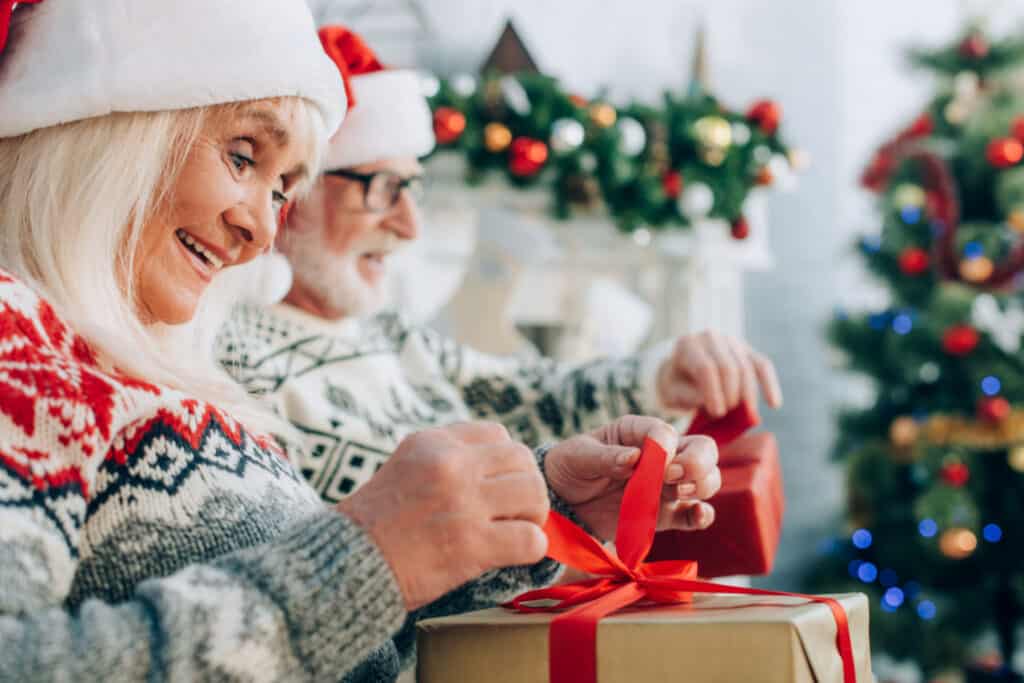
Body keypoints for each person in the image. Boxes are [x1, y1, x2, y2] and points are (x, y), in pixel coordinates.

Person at [0, 4, 720, 682]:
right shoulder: (19, 340)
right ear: (111, 122)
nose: (260, 230)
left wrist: (548, 506)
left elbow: (348, 628)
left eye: (281, 187)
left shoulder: (167, 369)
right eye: (242, 155)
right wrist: (363, 556)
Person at [218, 25, 783, 504]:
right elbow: (410, 512)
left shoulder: (385, 332)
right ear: (292, 191)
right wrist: (561, 492)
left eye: (413, 190)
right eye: (384, 188)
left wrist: (664, 376)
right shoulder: (232, 361)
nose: (409, 226)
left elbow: (534, 392)